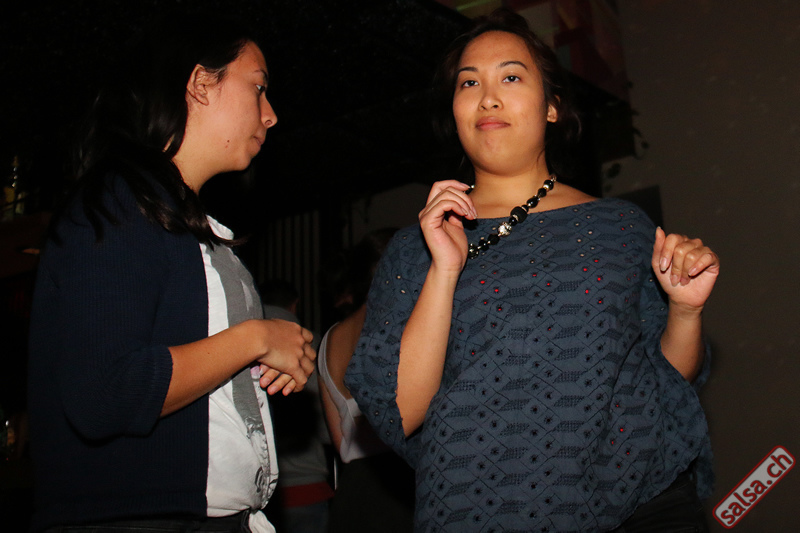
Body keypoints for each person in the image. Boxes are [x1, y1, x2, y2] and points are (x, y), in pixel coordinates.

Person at [345, 8, 719, 532]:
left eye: (511, 77)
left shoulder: (619, 227)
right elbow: (400, 411)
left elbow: (669, 379)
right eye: (469, 82)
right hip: (480, 514)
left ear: (552, 107)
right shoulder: (414, 250)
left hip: (644, 509)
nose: (487, 97)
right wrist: (444, 271)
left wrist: (684, 310)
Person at [27, 12, 316, 533]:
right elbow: (104, 391)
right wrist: (255, 338)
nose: (270, 115)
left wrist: (273, 353)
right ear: (201, 84)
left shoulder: (188, 224)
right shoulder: (120, 202)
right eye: (258, 88)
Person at [317, 229, 415, 532]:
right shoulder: (408, 325)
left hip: (353, 492)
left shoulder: (331, 338)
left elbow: (341, 441)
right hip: (402, 487)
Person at [260, 280, 333, 533]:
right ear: (295, 303)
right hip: (307, 483)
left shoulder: (238, 344)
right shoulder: (314, 345)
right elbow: (330, 425)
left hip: (254, 491)